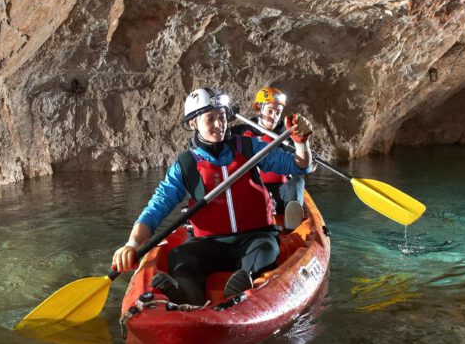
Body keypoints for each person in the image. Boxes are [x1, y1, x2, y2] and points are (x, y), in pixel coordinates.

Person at [111, 87, 314, 305]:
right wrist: (132, 243)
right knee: (180, 258)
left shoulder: (248, 147)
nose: (219, 124)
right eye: (210, 119)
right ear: (193, 123)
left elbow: (299, 166)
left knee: (266, 251)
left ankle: (244, 285)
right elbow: (157, 207)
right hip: (209, 242)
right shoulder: (186, 165)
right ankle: (189, 296)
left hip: (255, 236)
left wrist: (302, 143)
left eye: (222, 117)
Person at [230, 86, 306, 230]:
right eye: (270, 111)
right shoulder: (241, 132)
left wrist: (304, 150)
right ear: (258, 110)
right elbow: (217, 140)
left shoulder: (286, 134)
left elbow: (300, 160)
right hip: (252, 188)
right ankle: (266, 208)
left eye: (277, 112)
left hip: (279, 189)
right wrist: (226, 117)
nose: (274, 116)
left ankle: (291, 218)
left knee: (298, 180)